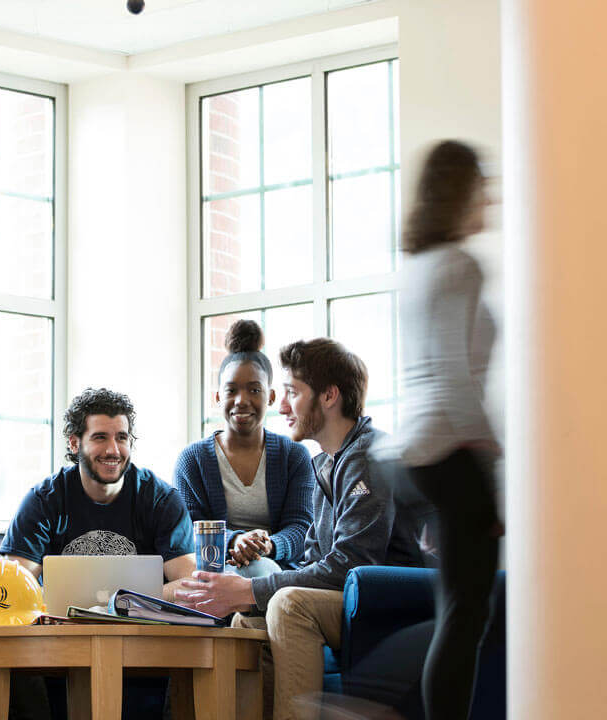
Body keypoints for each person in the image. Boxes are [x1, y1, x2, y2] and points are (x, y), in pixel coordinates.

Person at [176, 338, 424, 720]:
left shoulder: (369, 457)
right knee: (247, 621)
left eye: (291, 392)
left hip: (389, 599)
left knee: (289, 605)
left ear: (329, 396)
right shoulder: (325, 464)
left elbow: (349, 565)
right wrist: (247, 597)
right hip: (353, 596)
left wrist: (249, 587)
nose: (282, 405)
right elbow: (311, 560)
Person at [396, 139, 501, 720]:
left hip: (414, 454)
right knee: (467, 613)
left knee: (456, 610)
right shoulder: (462, 264)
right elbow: (457, 378)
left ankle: (373, 696)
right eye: (483, 184)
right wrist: (487, 458)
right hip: (449, 448)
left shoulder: (415, 267)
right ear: (461, 191)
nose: (491, 195)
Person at [0, 387, 196, 600]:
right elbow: (14, 587)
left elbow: (190, 585)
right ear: (74, 443)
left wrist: (118, 604)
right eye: (100, 437)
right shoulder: (43, 501)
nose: (113, 450)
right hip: (60, 627)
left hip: (140, 627)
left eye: (121, 437)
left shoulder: (162, 501)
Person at [173, 319, 314, 577]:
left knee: (262, 570)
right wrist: (235, 541)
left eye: (254, 390)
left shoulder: (294, 456)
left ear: (270, 396)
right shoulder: (192, 460)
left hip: (279, 573)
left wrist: (268, 545)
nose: (241, 401)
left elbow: (302, 526)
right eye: (231, 390)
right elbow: (189, 529)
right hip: (215, 569)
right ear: (218, 397)